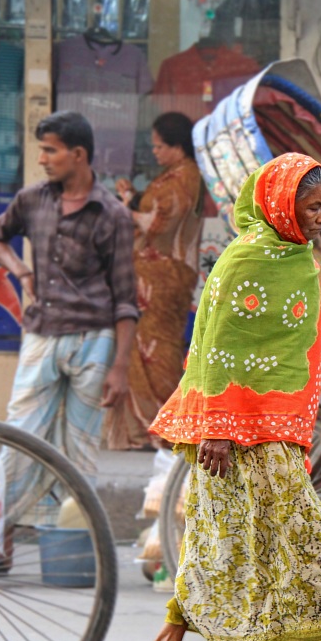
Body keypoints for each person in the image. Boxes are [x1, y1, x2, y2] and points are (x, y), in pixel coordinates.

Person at [139, 153, 321, 641]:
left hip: (273, 424)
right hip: (234, 431)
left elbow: (285, 341)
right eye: (311, 206)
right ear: (282, 203)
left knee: (221, 541)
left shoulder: (295, 259)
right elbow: (216, 345)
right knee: (307, 533)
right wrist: (218, 425)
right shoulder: (246, 259)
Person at [0, 111, 137, 535]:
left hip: (95, 341)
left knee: (80, 448)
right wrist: (21, 269)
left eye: (50, 150)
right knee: (20, 435)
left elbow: (126, 299)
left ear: (78, 154)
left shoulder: (112, 215)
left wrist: (120, 368)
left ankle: (71, 550)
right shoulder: (32, 199)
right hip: (42, 332)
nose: (43, 159)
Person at [105, 112, 205, 450]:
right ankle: (145, 429)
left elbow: (159, 225)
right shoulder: (175, 175)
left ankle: (167, 425)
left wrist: (124, 210)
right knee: (141, 345)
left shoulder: (184, 179)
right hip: (150, 275)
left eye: (160, 146)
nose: (155, 152)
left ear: (177, 146)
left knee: (157, 348)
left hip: (166, 277)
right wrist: (132, 198)